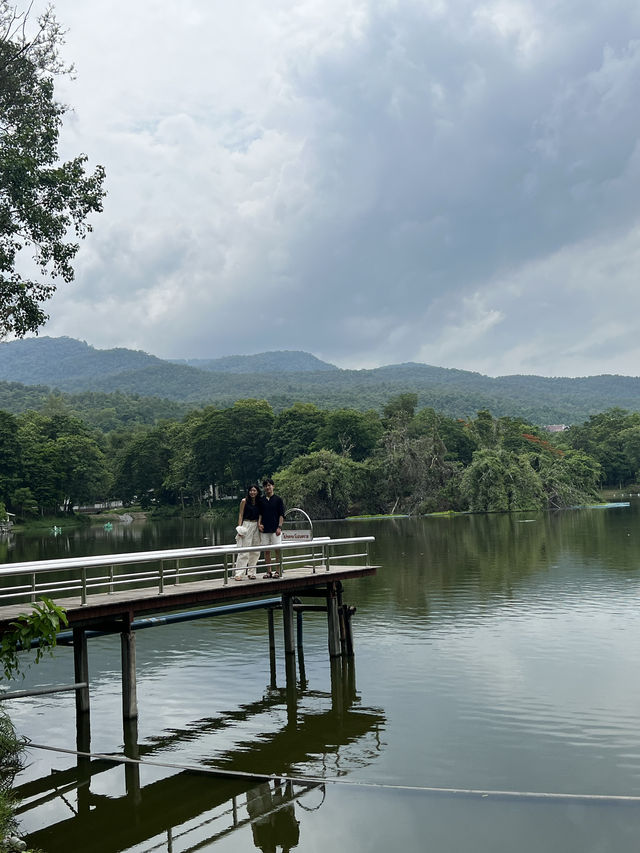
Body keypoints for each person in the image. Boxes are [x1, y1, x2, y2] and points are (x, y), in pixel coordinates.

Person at [258, 478, 285, 578]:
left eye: (269, 485)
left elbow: (281, 515)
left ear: (273, 486)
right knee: (267, 551)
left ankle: (278, 571)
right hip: (265, 529)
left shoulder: (278, 500)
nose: (267, 487)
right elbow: (260, 514)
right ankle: (268, 571)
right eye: (265, 486)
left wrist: (279, 527)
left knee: (277, 550)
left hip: (275, 529)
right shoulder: (261, 500)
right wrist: (259, 524)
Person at [234, 484, 261, 580]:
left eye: (254, 490)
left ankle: (251, 572)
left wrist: (259, 524)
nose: (252, 492)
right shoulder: (244, 501)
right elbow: (241, 514)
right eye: (251, 490)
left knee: (255, 551)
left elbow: (260, 515)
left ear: (257, 492)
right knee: (244, 550)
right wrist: (239, 528)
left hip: (256, 526)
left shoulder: (259, 502)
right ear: (248, 492)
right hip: (246, 524)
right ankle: (239, 573)